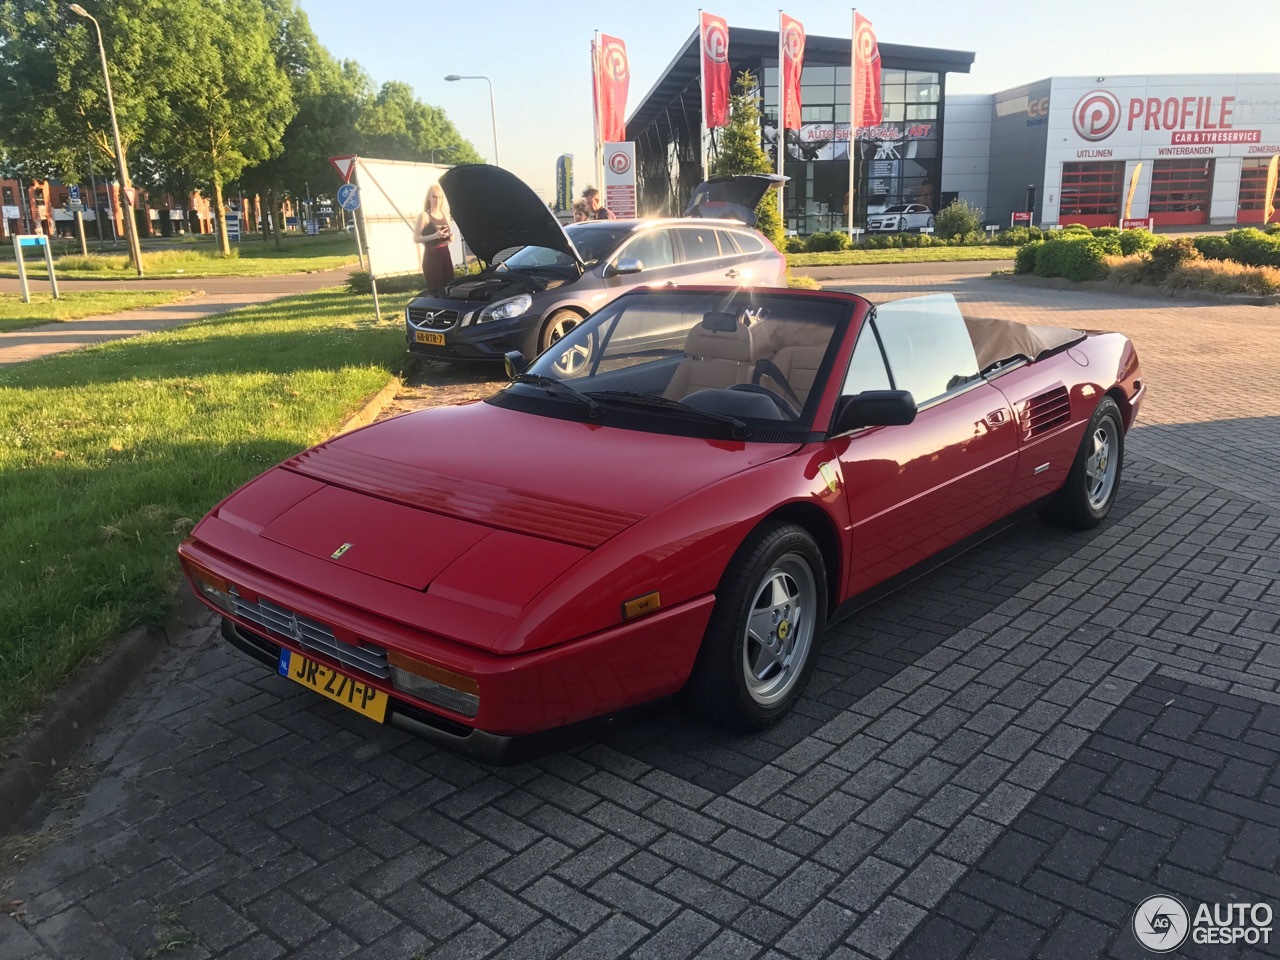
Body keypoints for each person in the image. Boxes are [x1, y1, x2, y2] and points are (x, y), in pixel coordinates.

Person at [414, 183, 453, 293]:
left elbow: (448, 234)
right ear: (429, 199)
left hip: (445, 254)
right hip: (432, 256)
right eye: (434, 197)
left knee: (449, 287)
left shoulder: (445, 214)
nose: (437, 200)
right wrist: (434, 236)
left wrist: (450, 237)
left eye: (440, 197)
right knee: (435, 289)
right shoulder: (424, 216)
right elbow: (416, 238)